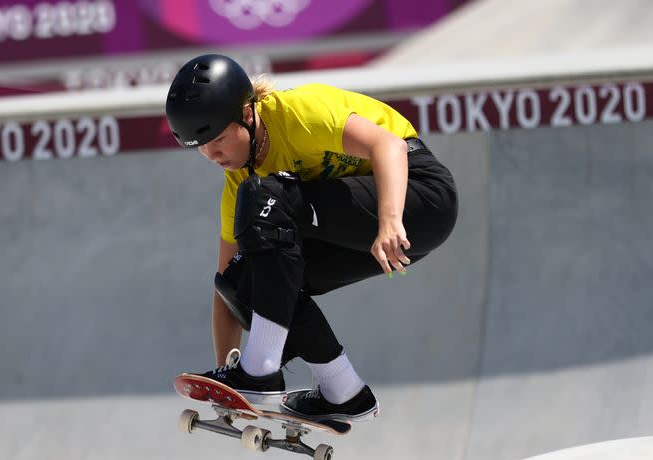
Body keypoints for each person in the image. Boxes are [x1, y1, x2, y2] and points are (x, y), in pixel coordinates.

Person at [165, 54, 457, 422]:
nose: (213, 155)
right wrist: (227, 386)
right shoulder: (241, 180)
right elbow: (227, 287)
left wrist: (389, 221)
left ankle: (260, 370)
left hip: (419, 197)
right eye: (201, 148)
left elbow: (389, 147)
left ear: (248, 114)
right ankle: (343, 390)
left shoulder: (298, 113)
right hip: (364, 233)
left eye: (219, 139)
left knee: (264, 196)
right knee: (243, 277)